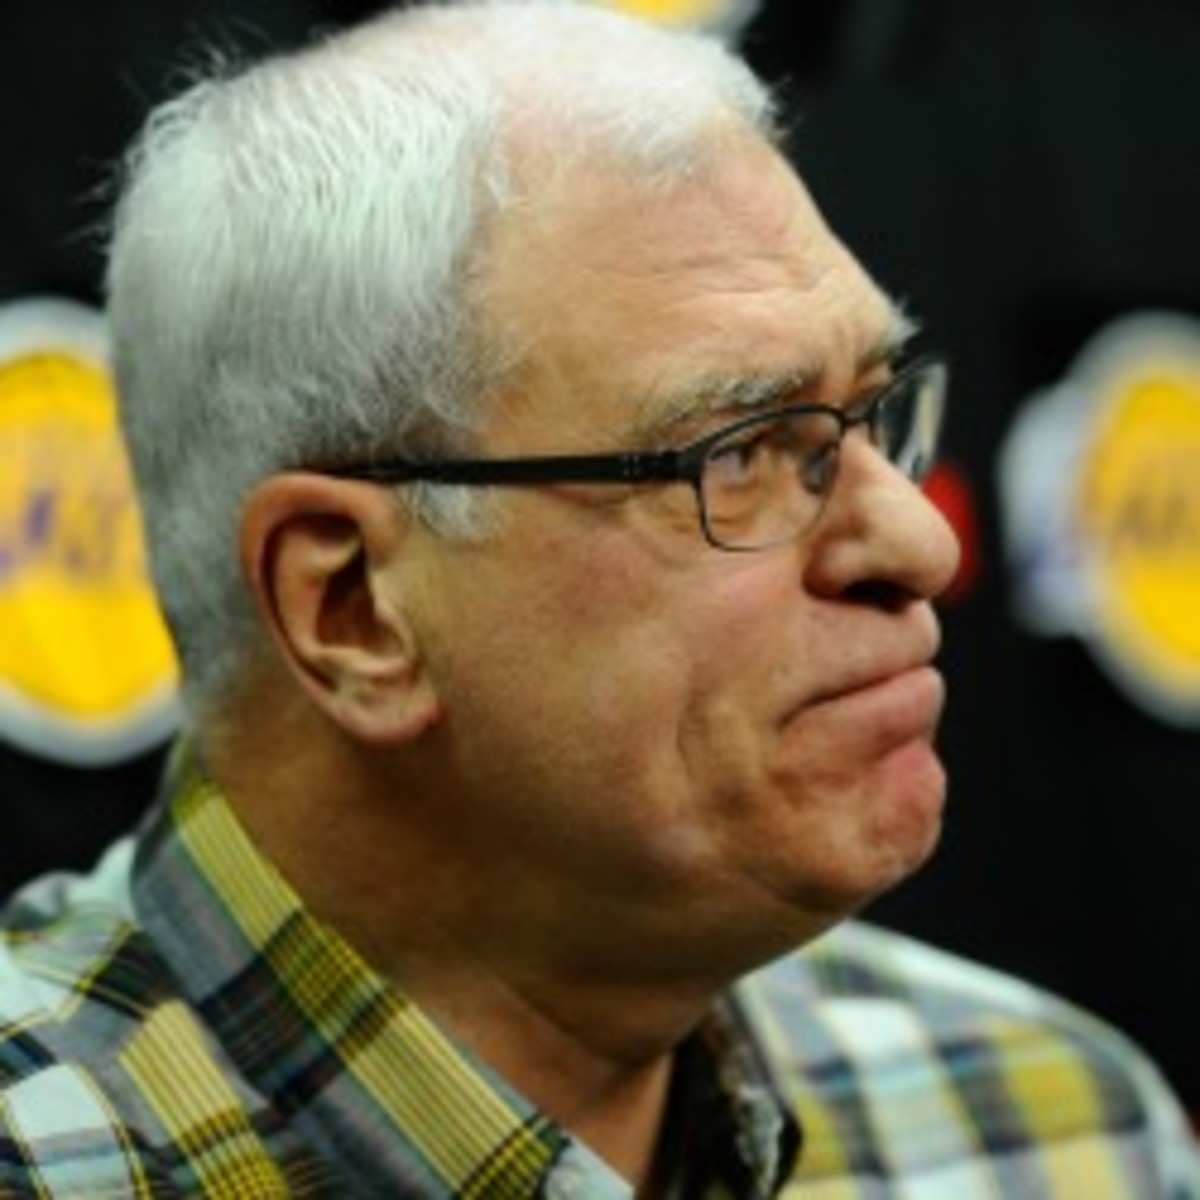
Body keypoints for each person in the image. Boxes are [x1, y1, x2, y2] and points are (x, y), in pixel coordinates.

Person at [1, 1, 1196, 1195]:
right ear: (352, 608)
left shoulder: (1046, 1126)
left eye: (873, 412)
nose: (921, 542)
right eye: (740, 450)